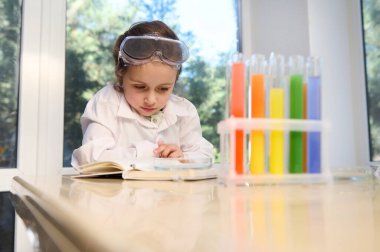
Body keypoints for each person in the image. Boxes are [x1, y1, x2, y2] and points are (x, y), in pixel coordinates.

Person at [71, 20, 213, 166]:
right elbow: (91, 158)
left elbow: (205, 156)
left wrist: (184, 157)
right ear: (121, 75)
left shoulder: (184, 111)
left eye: (163, 89)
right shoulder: (105, 103)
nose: (151, 100)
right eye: (140, 87)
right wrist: (150, 153)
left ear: (174, 81)